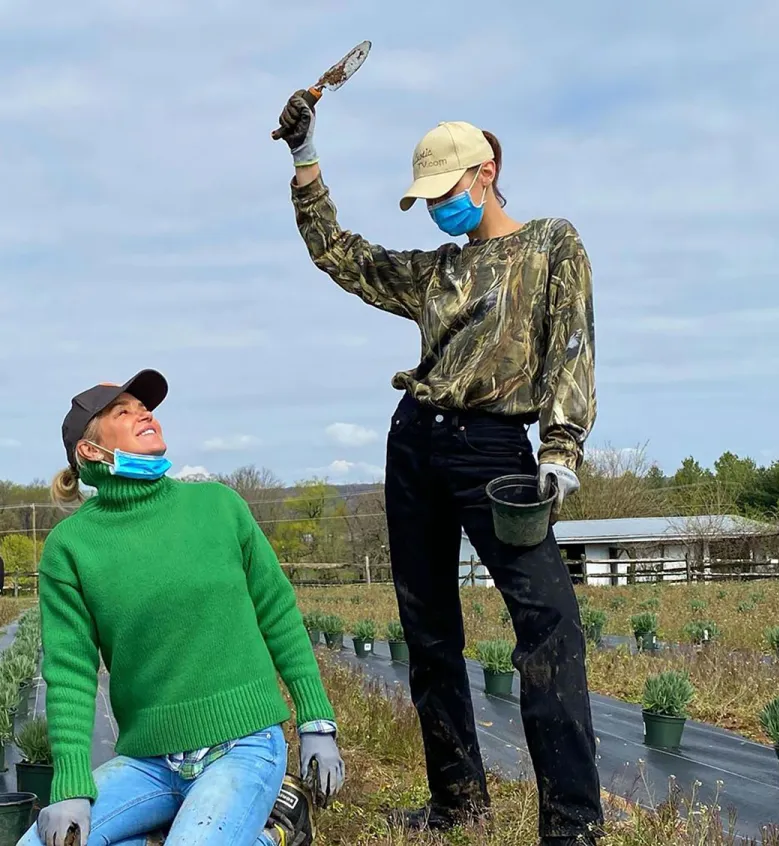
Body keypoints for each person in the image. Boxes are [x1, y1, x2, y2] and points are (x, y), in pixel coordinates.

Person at [273, 93, 603, 845]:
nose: (435, 212)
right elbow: (342, 255)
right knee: (427, 634)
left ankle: (572, 825)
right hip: (415, 442)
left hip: (495, 455)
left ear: (486, 174)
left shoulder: (552, 245)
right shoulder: (433, 274)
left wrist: (560, 448)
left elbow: (572, 348)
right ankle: (458, 802)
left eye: (446, 195)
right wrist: (304, 159)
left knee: (549, 628)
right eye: (426, 202)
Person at [21, 369, 343, 846]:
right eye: (122, 412)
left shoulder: (218, 506)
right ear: (90, 450)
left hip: (245, 745)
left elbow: (277, 612)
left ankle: (271, 832)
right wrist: (70, 785)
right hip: (148, 763)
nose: (144, 414)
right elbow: (69, 672)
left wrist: (317, 721)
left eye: (144, 407)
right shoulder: (70, 547)